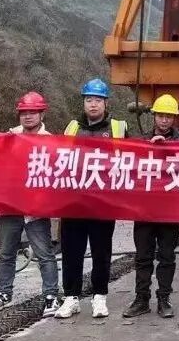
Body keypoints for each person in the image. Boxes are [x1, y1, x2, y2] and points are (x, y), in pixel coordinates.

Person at [55, 78, 128, 320]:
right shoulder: (72, 127)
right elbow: (59, 159)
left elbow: (133, 159)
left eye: (97, 100)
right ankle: (71, 297)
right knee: (71, 252)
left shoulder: (119, 128)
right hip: (74, 201)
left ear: (106, 103)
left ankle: (99, 296)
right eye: (89, 100)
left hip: (103, 203)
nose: (93, 104)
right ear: (83, 103)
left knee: (101, 252)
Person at [0, 92, 59, 317]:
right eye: (24, 113)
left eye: (33, 112)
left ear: (41, 114)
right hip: (11, 206)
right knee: (6, 253)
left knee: (44, 254)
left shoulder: (50, 141)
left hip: (36, 209)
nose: (28, 116)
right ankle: (3, 293)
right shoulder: (9, 137)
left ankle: (51, 296)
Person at [123, 94, 179, 319]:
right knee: (143, 256)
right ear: (154, 116)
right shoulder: (142, 141)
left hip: (170, 210)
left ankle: (164, 298)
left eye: (169, 116)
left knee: (167, 256)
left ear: (174, 118)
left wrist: (170, 147)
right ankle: (141, 299)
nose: (164, 120)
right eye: (161, 115)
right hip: (145, 210)